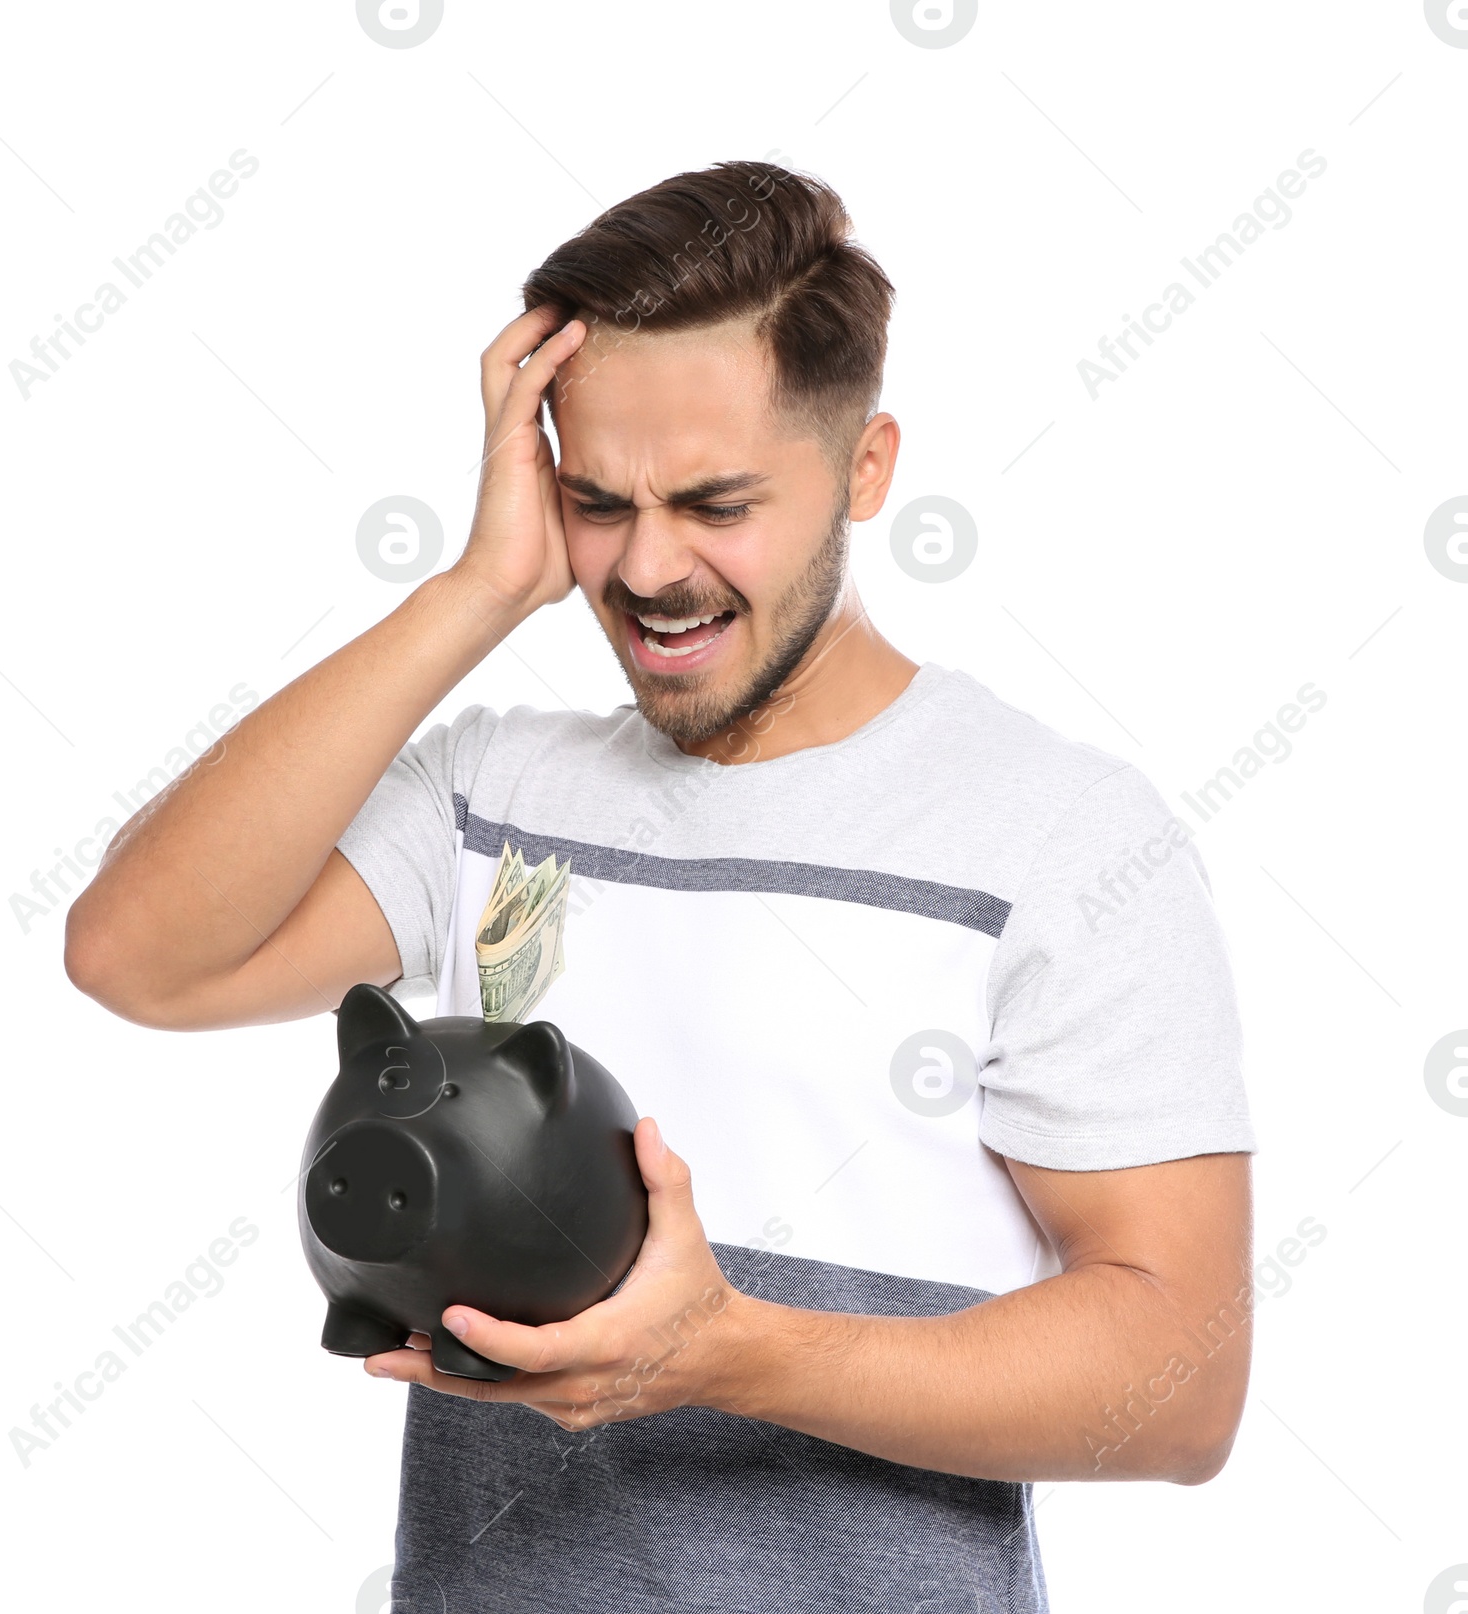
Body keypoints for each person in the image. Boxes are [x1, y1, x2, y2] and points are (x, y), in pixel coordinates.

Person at [65, 159, 1258, 1613]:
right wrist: (481, 590)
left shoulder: (1059, 836)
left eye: (715, 501)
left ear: (867, 467)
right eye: (594, 501)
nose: (647, 567)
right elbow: (138, 952)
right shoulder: (496, 790)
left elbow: (1182, 1381)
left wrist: (728, 1350)